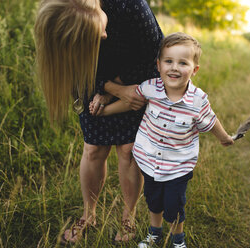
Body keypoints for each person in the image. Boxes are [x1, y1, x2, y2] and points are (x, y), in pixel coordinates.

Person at [34, 0, 163, 244]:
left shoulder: (131, 6)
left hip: (137, 75)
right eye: (95, 34)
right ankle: (88, 215)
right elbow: (72, 65)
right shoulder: (63, 16)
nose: (105, 35)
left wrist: (119, 92)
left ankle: (128, 216)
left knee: (128, 150)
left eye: (100, 28)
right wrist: (108, 88)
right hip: (90, 77)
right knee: (93, 148)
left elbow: (153, 57)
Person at [93, 32, 234, 248]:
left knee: (173, 206)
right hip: (149, 161)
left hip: (178, 166)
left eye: (182, 63)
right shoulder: (150, 88)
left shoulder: (198, 101)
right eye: (168, 61)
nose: (174, 67)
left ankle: (178, 239)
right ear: (158, 65)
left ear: (194, 69)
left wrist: (224, 138)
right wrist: (105, 111)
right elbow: (129, 101)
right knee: (153, 201)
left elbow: (211, 121)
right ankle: (154, 234)